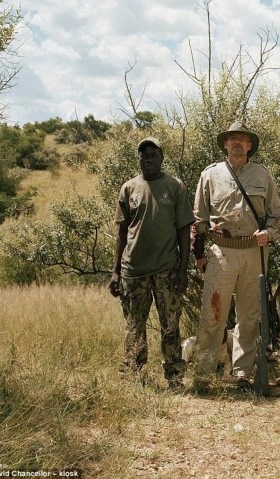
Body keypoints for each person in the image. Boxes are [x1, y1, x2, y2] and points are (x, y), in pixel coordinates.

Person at [190, 121, 280, 389]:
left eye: (243, 139)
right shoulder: (210, 175)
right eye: (233, 140)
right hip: (221, 254)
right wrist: (199, 255)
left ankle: (241, 372)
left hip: (255, 253)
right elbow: (198, 219)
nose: (238, 144)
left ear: (250, 145)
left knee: (249, 316)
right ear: (226, 145)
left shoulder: (263, 176)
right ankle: (204, 373)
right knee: (213, 313)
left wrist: (271, 234)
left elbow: (278, 215)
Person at [108, 136, 194, 389]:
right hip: (133, 271)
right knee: (134, 326)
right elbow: (122, 233)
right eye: (143, 155)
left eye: (153, 155)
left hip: (167, 269)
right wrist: (115, 272)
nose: (148, 159)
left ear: (161, 158)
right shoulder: (128, 188)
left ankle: (175, 377)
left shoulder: (175, 186)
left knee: (170, 326)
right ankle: (133, 376)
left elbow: (183, 231)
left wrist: (182, 270)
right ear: (139, 159)